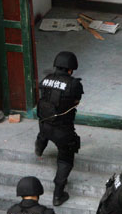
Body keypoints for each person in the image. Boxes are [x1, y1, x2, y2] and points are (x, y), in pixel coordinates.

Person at [34, 51, 84, 206]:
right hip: (63, 131)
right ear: (71, 69)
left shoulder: (46, 80)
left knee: (43, 133)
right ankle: (58, 195)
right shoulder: (74, 84)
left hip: (44, 125)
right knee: (65, 160)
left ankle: (39, 150)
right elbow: (76, 101)